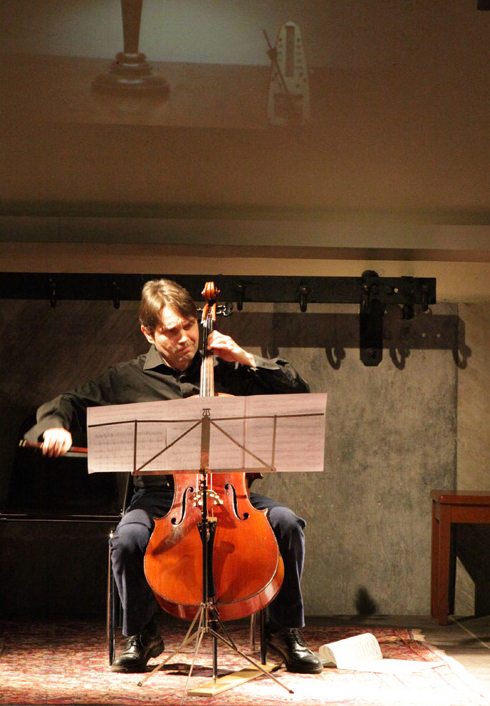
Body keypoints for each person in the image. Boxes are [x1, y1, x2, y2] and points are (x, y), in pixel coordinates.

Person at [26, 278, 322, 675]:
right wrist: (55, 427)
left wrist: (246, 357)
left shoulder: (229, 367)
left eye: (189, 326)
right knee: (128, 540)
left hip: (231, 495)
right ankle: (142, 634)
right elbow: (69, 402)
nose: (185, 338)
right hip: (161, 498)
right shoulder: (127, 378)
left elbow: (299, 394)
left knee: (288, 524)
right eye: (171, 331)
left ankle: (284, 632)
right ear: (148, 333)